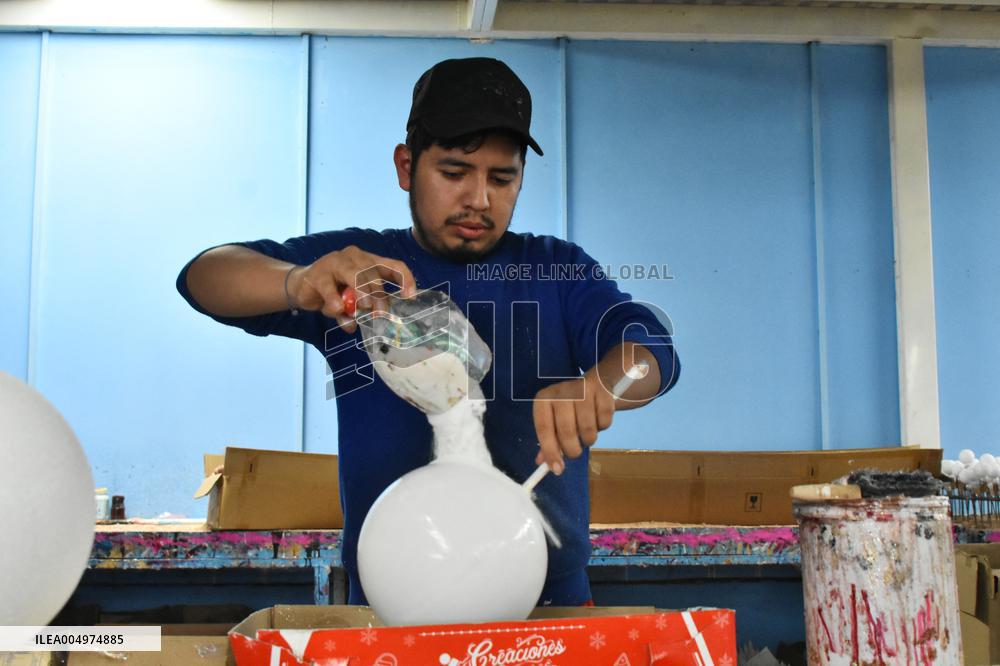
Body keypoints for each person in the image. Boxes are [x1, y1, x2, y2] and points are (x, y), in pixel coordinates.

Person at [178, 57, 679, 606]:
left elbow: (651, 349)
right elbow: (203, 278)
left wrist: (601, 387)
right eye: (454, 172)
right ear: (406, 166)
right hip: (393, 597)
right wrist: (299, 281)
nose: (479, 199)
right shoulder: (359, 272)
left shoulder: (557, 271)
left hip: (546, 599)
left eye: (502, 178)